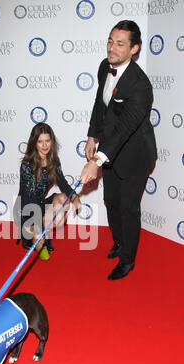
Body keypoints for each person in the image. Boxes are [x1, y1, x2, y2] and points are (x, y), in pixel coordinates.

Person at [80, 20, 157, 280]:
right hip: (111, 149)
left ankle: (128, 260)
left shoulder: (140, 85)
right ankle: (120, 242)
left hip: (135, 154)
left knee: (127, 207)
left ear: (134, 49)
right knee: (110, 201)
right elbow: (100, 104)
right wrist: (93, 135)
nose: (112, 48)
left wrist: (97, 160)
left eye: (120, 44)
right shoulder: (105, 66)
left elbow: (125, 128)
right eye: (110, 41)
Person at [15, 122, 81, 260]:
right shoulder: (27, 165)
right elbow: (30, 197)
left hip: (40, 203)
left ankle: (39, 232)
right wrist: (37, 223)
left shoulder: (54, 161)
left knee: (64, 200)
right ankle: (30, 229)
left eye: (47, 141)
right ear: (34, 143)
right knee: (46, 217)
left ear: (52, 141)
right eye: (40, 142)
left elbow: (63, 184)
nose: (45, 145)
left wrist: (75, 198)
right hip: (27, 208)